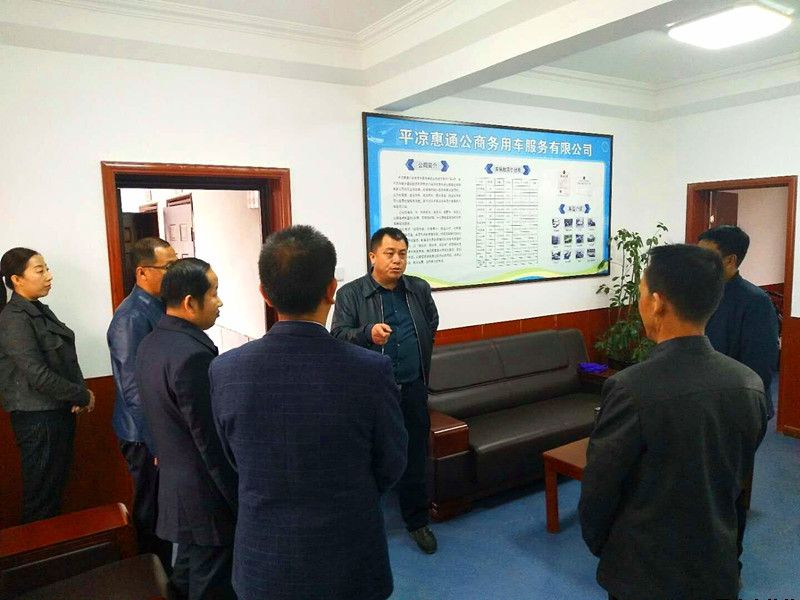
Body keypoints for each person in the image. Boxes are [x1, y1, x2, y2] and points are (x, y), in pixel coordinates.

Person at [210, 225, 407, 600]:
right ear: (332, 290)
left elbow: (231, 460)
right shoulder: (370, 370)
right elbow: (392, 462)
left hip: (264, 557)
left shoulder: (225, 371)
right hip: (350, 552)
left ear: (265, 293)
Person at [579, 244, 769, 600]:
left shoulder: (629, 388)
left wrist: (606, 547)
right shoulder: (750, 384)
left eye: (640, 292)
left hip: (644, 572)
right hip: (717, 564)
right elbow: (737, 476)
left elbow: (599, 489)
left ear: (657, 302)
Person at [331, 226, 440, 554]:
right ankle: (363, 521)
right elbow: (337, 336)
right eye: (390, 253)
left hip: (413, 386)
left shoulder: (418, 289)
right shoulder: (351, 294)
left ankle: (417, 521)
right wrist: (367, 333)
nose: (397, 260)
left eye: (402, 254)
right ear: (373, 256)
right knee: (367, 457)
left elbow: (431, 323)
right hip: (371, 393)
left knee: (415, 454)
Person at [136, 258, 236, 600]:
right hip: (205, 495)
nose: (220, 302)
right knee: (212, 583)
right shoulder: (192, 355)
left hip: (177, 485)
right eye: (214, 293)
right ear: (190, 302)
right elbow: (209, 441)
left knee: (186, 574)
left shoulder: (152, 342)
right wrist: (236, 496)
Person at [0, 248, 95, 523]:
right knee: (41, 498)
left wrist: (76, 394)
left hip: (54, 413)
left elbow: (63, 359)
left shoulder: (38, 309)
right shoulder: (14, 318)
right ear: (17, 279)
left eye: (47, 268)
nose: (49, 276)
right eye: (40, 271)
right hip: (38, 419)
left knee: (52, 491)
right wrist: (81, 394)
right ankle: (36, 551)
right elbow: (37, 374)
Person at [107, 237, 177, 567]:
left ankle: (163, 570)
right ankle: (149, 573)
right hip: (142, 434)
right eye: (168, 267)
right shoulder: (131, 317)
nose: (175, 273)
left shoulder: (159, 305)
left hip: (158, 428)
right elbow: (132, 389)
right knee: (150, 509)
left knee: (163, 507)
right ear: (142, 272)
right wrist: (157, 442)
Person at [698, 225, 780, 419]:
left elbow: (759, 366)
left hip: (736, 408)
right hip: (702, 404)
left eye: (705, 256)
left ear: (730, 260)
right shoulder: (698, 293)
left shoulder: (755, 302)